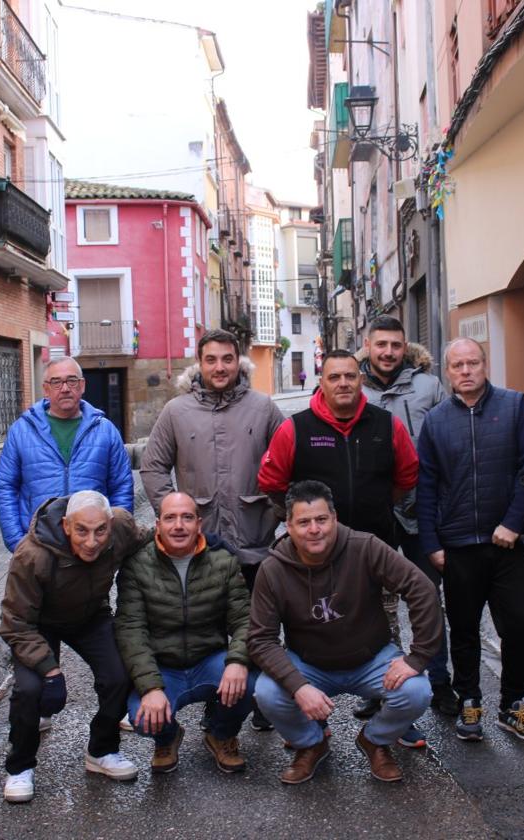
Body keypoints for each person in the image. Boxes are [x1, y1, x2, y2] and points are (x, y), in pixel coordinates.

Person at [249, 481, 443, 784]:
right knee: (268, 693)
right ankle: (311, 744)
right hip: (309, 663)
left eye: (321, 520)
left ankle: (375, 740)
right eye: (304, 522)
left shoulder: (364, 547)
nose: (314, 529)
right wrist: (298, 686)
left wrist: (416, 658)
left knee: (417, 691)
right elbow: (261, 639)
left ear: (334, 519)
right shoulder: (273, 569)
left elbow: (421, 589)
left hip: (372, 658)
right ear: (288, 525)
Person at [141, 328, 283, 731]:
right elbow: (153, 467)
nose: (219, 367)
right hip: (200, 548)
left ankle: (260, 699)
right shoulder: (177, 411)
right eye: (211, 360)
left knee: (259, 625)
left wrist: (276, 512)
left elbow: (288, 464)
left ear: (239, 362)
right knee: (210, 628)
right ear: (199, 364)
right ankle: (216, 706)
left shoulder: (264, 408)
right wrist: (175, 515)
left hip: (255, 542)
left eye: (227, 359)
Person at [415, 337, 524, 743]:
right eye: (458, 365)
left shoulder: (515, 406)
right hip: (457, 546)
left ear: (485, 365)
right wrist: (432, 542)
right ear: (448, 372)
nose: (466, 371)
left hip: (506, 543)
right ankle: (469, 698)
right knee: (464, 628)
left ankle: (511, 703)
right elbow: (426, 485)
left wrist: (513, 522)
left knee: (520, 625)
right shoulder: (436, 420)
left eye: (473, 363)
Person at [0, 490, 148, 802]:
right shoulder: (31, 556)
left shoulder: (121, 527)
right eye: (81, 531)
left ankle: (102, 750)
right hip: (37, 624)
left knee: (120, 674)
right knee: (29, 689)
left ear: (110, 524)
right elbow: (15, 621)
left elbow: (150, 539)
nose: (92, 542)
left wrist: (197, 543)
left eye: (100, 531)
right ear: (66, 526)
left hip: (90, 615)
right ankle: (19, 767)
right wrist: (51, 670)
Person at [356, 315, 456, 723]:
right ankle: (377, 685)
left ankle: (440, 680)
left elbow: (446, 445)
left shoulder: (429, 387)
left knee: (427, 597)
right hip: (372, 513)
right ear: (368, 344)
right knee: (372, 603)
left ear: (405, 347)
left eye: (396, 345)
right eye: (381, 345)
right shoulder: (351, 388)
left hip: (421, 511)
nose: (388, 353)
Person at [115, 492, 254, 774]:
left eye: (187, 517)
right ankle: (167, 738)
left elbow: (245, 619)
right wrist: (151, 687)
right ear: (158, 525)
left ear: (198, 524)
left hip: (209, 660)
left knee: (251, 684)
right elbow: (131, 631)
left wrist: (237, 661)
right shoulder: (136, 566)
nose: (179, 525)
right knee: (142, 717)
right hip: (163, 667)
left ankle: (220, 734)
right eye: (170, 518)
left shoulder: (223, 562)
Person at [258, 349, 418, 548]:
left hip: (376, 546)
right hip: (316, 551)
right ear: (321, 383)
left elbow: (407, 476)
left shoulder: (389, 425)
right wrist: (302, 515)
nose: (343, 383)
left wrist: (378, 505)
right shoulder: (294, 429)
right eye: (334, 377)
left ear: (361, 380)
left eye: (350, 376)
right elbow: (271, 482)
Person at [0, 356, 133, 555]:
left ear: (82, 385)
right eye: (56, 382)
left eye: (72, 381)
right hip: (38, 546)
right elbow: (5, 486)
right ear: (46, 388)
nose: (65, 388)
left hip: (93, 548)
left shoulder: (105, 431)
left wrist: (114, 537)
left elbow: (122, 486)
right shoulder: (22, 431)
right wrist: (17, 541)